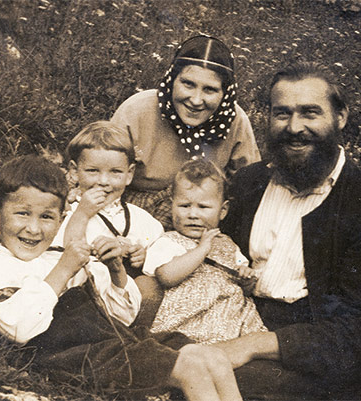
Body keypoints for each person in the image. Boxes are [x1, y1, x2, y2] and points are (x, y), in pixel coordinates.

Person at [0, 154, 243, 401]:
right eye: (22, 214)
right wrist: (64, 270)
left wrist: (116, 271)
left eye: (46, 217)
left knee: (211, 356)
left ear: (61, 220)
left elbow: (123, 315)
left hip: (109, 343)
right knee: (190, 366)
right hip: (62, 357)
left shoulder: (58, 256)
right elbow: (20, 329)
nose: (33, 229)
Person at [217, 62, 361, 400]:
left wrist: (253, 345)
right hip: (230, 323)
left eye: (310, 113)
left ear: (340, 117)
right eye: (282, 113)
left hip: (312, 356)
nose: (294, 127)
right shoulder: (249, 183)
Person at [111, 35, 260, 230]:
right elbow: (102, 172)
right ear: (173, 80)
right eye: (188, 84)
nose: (196, 100)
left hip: (198, 220)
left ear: (225, 93)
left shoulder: (235, 121)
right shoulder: (136, 110)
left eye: (210, 90)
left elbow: (248, 189)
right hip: (131, 212)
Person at [143, 159, 267, 344]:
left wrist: (246, 279)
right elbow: (166, 276)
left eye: (203, 207)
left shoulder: (228, 244)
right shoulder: (168, 241)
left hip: (232, 316)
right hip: (191, 318)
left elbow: (242, 283)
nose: (193, 214)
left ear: (223, 211)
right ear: (171, 206)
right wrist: (201, 250)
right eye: (184, 206)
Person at [52, 120, 164, 325]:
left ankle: (135, 337)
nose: (104, 181)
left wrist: (144, 256)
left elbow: (160, 246)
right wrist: (83, 213)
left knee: (149, 286)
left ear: (129, 174)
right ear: (75, 171)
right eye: (93, 171)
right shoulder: (68, 212)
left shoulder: (139, 217)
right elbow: (66, 248)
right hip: (83, 301)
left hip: (124, 301)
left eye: (115, 172)